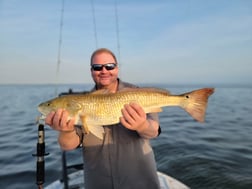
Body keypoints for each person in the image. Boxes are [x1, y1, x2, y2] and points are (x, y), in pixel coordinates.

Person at [45, 48, 161, 189]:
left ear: (117, 68)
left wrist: (142, 125)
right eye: (97, 67)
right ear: (91, 71)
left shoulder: (138, 93)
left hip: (140, 181)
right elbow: (67, 146)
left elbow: (154, 131)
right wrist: (66, 131)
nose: (104, 71)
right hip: (99, 182)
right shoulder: (81, 102)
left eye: (109, 66)